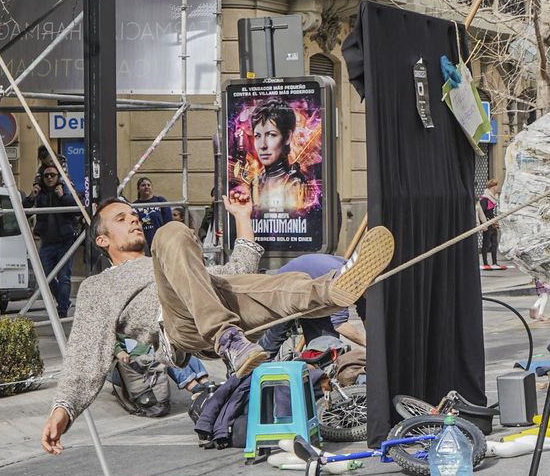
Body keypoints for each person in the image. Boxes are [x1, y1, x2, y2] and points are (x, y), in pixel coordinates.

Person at [40, 193, 396, 454]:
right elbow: (86, 351)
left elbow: (238, 272)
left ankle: (335, 288)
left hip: (217, 301)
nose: (133, 219)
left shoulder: (185, 267)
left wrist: (243, 215)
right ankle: (228, 338)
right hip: (180, 326)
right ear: (103, 241)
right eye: (121, 218)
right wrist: (64, 410)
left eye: (134, 214)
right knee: (171, 233)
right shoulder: (100, 287)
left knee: (281, 283)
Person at [25, 164, 81, 318]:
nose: (49, 178)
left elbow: (79, 208)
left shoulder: (66, 190)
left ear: (59, 177)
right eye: (46, 175)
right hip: (47, 241)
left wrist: (63, 196)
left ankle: (62, 309)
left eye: (53, 175)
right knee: (45, 276)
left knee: (64, 276)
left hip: (66, 240)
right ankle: (64, 301)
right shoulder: (40, 194)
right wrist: (31, 197)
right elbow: (23, 210)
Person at [249, 100, 312, 215]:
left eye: (271, 135)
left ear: (287, 137)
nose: (262, 145)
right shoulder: (255, 183)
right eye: (257, 136)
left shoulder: (296, 182)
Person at [132, 178, 174, 251]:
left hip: (160, 240)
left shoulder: (160, 200)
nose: (146, 187)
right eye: (143, 185)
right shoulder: (134, 205)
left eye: (149, 185)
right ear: (138, 189)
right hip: (143, 242)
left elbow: (168, 221)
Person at [477, 180, 501, 268]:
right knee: (486, 243)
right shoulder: (485, 199)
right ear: (493, 186)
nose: (497, 188)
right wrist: (485, 223)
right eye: (496, 186)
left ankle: (495, 262)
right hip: (487, 223)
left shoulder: (494, 198)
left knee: (495, 243)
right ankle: (485, 263)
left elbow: (494, 212)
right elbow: (481, 212)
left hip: (493, 223)